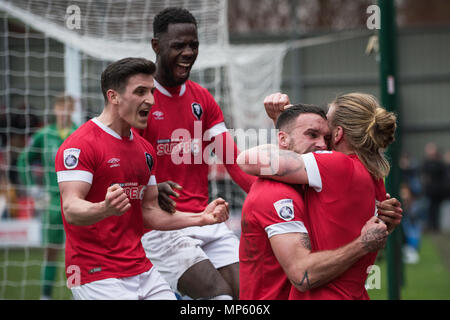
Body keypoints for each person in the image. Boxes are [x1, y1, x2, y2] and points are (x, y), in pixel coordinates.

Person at [54, 57, 229, 300]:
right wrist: (105, 208)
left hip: (141, 269)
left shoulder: (145, 150)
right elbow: (71, 208)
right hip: (97, 274)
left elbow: (148, 212)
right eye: (140, 92)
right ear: (113, 96)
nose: (151, 100)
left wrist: (201, 218)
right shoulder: (80, 145)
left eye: (151, 91)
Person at [135, 7, 255, 300]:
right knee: (219, 296)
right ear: (156, 45)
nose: (188, 52)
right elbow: (125, 167)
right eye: (178, 45)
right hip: (161, 227)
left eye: (194, 45)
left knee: (248, 295)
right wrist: (149, 188)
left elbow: (232, 160)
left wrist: (268, 193)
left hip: (206, 219)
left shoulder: (202, 99)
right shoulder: (140, 101)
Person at [237, 92, 398, 299]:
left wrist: (288, 134)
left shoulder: (335, 165)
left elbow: (247, 160)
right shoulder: (374, 177)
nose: (322, 145)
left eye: (328, 135)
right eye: (313, 134)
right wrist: (287, 122)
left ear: (338, 134)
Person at [17, 95, 78, 300]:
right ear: (55, 109)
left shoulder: (80, 132)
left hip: (77, 202)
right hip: (52, 202)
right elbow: (24, 159)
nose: (64, 111)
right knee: (50, 253)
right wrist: (33, 188)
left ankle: (77, 293)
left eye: (68, 108)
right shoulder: (44, 134)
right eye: (61, 107)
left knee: (78, 252)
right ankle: (45, 296)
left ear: (72, 109)